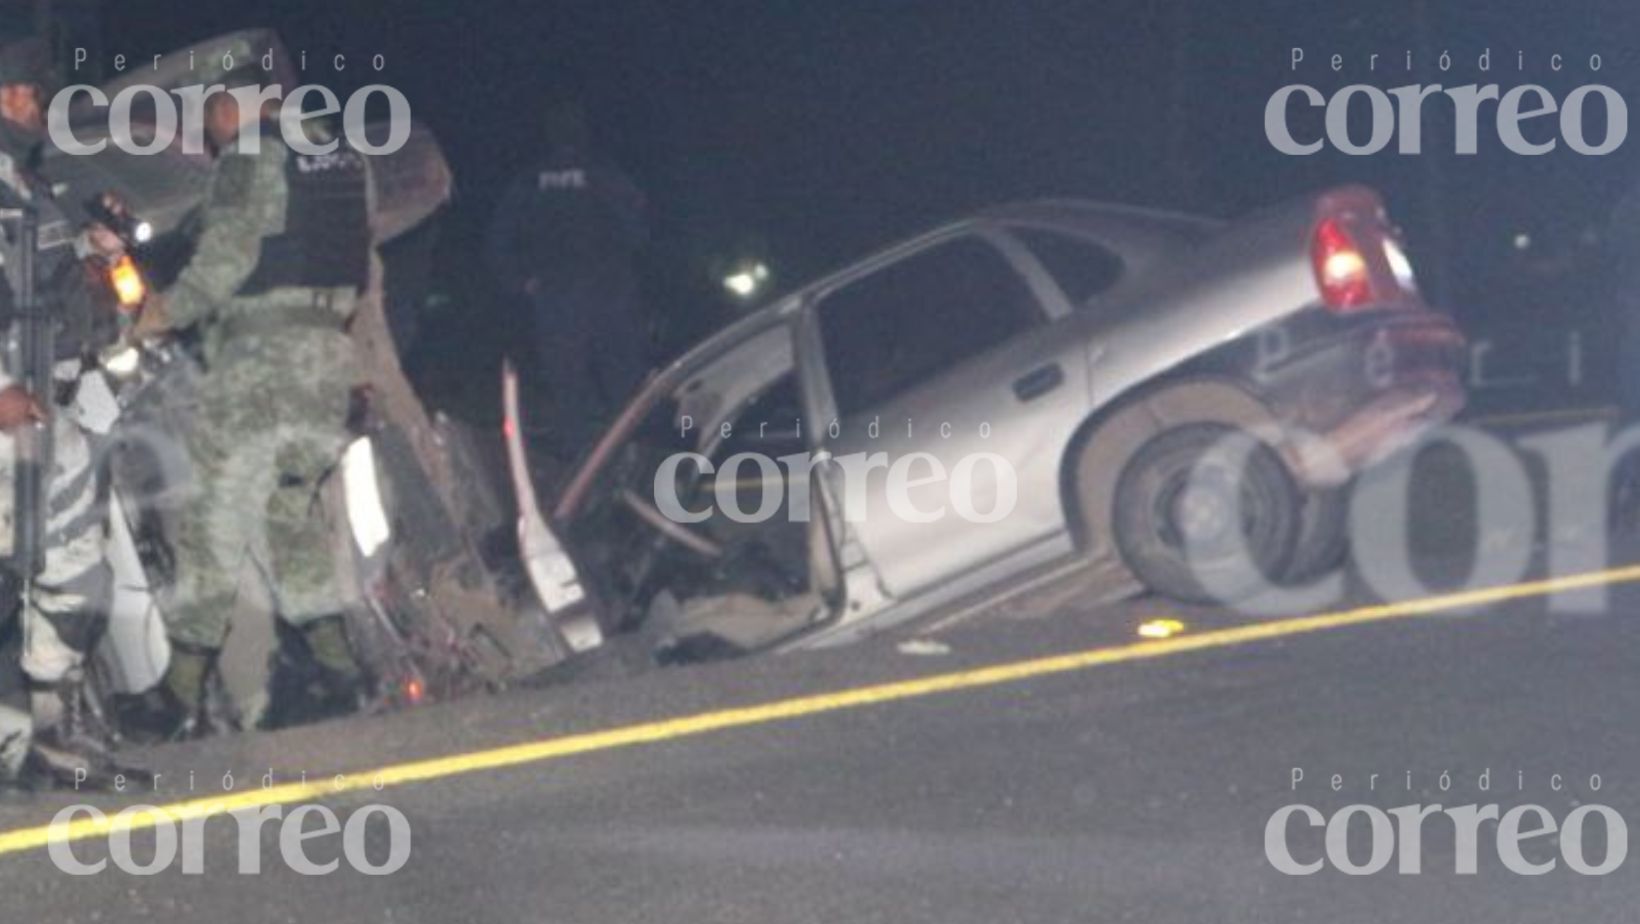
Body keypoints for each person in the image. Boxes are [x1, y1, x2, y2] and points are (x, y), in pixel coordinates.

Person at [134, 70, 369, 733]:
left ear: (230, 109)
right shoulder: (339, 157)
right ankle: (341, 671)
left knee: (213, 515)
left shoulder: (247, 154)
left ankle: (179, 693)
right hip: (326, 360)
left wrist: (161, 313)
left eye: (213, 120)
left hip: (261, 363)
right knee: (288, 515)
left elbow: (227, 255)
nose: (212, 138)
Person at [0, 38, 125, 786]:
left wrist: (98, 249)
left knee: (69, 563)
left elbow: (48, 282)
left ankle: (47, 721)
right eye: (19, 94)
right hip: (8, 410)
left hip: (44, 407)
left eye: (35, 96)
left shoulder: (27, 184)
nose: (34, 108)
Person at [486, 97, 650, 457]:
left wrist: (521, 281)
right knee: (622, 379)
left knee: (568, 385)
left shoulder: (530, 180)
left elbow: (500, 236)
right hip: (609, 291)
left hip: (559, 295)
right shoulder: (604, 172)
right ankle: (632, 455)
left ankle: (582, 467)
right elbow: (638, 224)